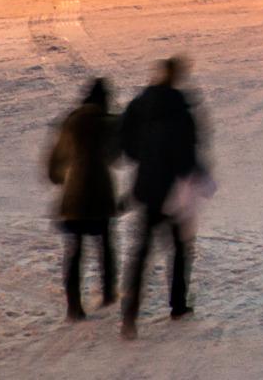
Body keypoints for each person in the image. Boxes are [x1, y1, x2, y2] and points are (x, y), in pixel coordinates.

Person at [118, 55, 203, 338]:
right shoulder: (180, 109)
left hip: (148, 187)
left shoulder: (140, 104)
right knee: (179, 249)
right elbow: (189, 151)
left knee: (141, 252)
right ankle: (177, 305)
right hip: (174, 193)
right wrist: (195, 175)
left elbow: (125, 141)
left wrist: (142, 158)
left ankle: (129, 314)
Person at [47, 78, 119, 320]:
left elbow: (58, 155)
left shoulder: (72, 120)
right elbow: (115, 154)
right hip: (99, 191)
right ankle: (109, 293)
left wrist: (57, 175)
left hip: (75, 193)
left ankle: (74, 306)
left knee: (75, 250)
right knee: (106, 244)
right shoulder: (106, 122)